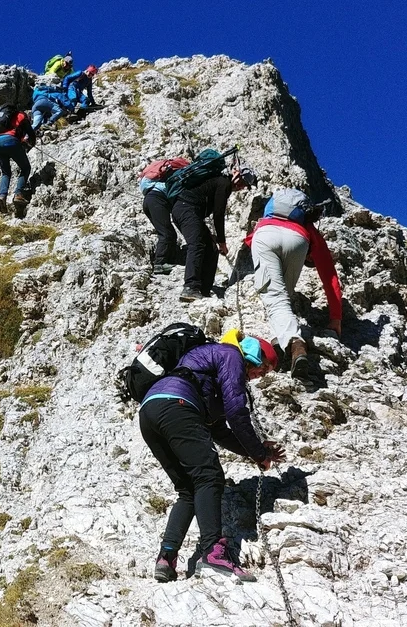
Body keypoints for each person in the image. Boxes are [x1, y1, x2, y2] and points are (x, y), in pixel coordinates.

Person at [139, 335, 284, 582]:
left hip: (150, 412)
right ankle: (213, 553)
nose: (261, 375)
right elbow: (237, 411)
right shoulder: (230, 355)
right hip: (178, 405)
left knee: (188, 489)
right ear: (255, 356)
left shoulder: (208, 372)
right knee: (210, 476)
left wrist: (257, 451)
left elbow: (219, 430)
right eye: (264, 368)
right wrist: (259, 454)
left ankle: (167, 557)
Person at [244, 189, 343, 381]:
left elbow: (250, 239)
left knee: (275, 297)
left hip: (265, 235)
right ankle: (281, 339)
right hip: (298, 240)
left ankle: (294, 342)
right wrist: (336, 317)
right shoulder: (307, 227)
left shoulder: (268, 219)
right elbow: (329, 274)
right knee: (284, 297)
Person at [173, 165, 257, 301]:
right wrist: (222, 241)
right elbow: (218, 214)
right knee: (197, 244)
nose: (241, 187)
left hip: (188, 211)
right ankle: (190, 287)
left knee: (211, 248)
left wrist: (217, 241)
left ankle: (204, 290)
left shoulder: (222, 183)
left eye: (245, 186)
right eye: (242, 183)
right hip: (186, 208)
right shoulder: (223, 183)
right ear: (236, 176)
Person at [138, 157, 189, 275]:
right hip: (156, 200)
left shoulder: (164, 178)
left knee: (169, 233)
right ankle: (159, 264)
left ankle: (167, 261)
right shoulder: (177, 178)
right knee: (166, 233)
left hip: (150, 200)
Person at [0, 105, 37, 215]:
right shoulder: (20, 115)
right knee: (25, 168)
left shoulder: (1, 119)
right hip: (11, 141)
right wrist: (32, 144)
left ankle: (2, 195)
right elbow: (30, 133)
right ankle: (18, 194)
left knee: (6, 172)